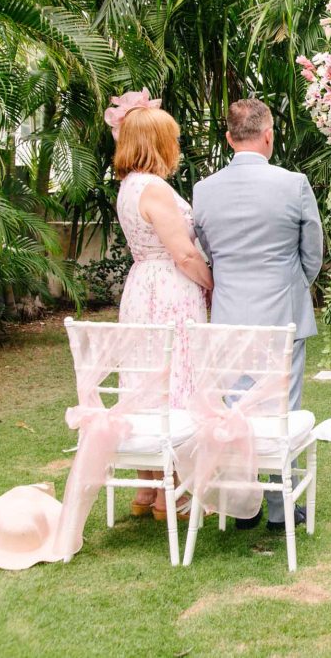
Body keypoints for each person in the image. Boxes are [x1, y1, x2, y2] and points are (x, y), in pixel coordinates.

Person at [192, 98, 324, 532]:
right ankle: (277, 509)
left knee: (234, 405)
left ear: (229, 138)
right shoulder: (294, 184)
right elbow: (313, 252)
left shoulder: (204, 189)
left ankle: (238, 503)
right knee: (281, 406)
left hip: (229, 313)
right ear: (268, 135)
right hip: (283, 312)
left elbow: (209, 252)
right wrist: (291, 284)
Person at [111, 98, 212, 521]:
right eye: (171, 138)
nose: (177, 145)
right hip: (169, 291)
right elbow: (184, 255)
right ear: (156, 142)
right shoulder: (153, 189)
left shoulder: (129, 186)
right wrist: (212, 284)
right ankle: (173, 489)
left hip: (141, 288)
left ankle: (145, 489)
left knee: (145, 378)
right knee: (174, 377)